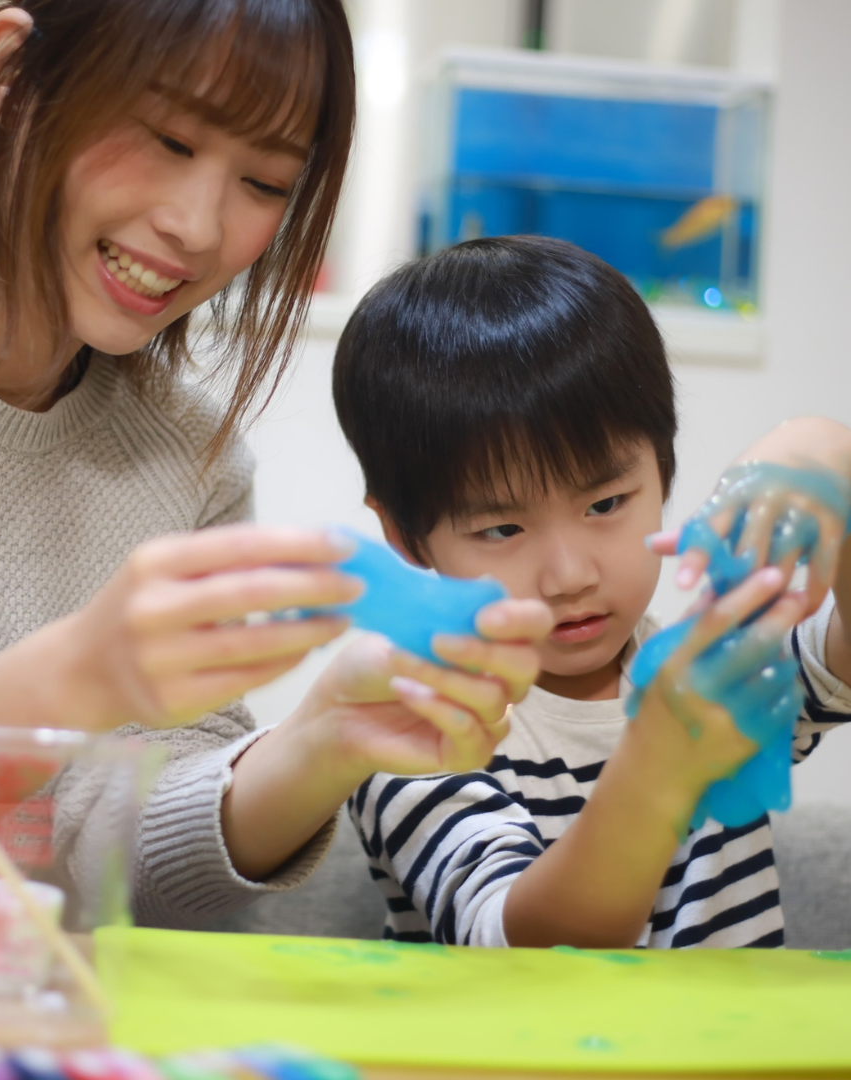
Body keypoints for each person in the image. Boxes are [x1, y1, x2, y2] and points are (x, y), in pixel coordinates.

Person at [0, 1, 546, 926]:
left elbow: (135, 878)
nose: (196, 226)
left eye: (263, 182)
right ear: (14, 75)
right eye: (169, 139)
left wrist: (320, 741)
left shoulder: (192, 460)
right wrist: (77, 678)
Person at [334, 235, 851, 948]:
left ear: (664, 474)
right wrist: (661, 762)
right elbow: (523, 948)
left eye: (606, 505)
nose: (570, 575)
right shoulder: (415, 725)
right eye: (502, 528)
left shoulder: (717, 670)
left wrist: (829, 452)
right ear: (404, 537)